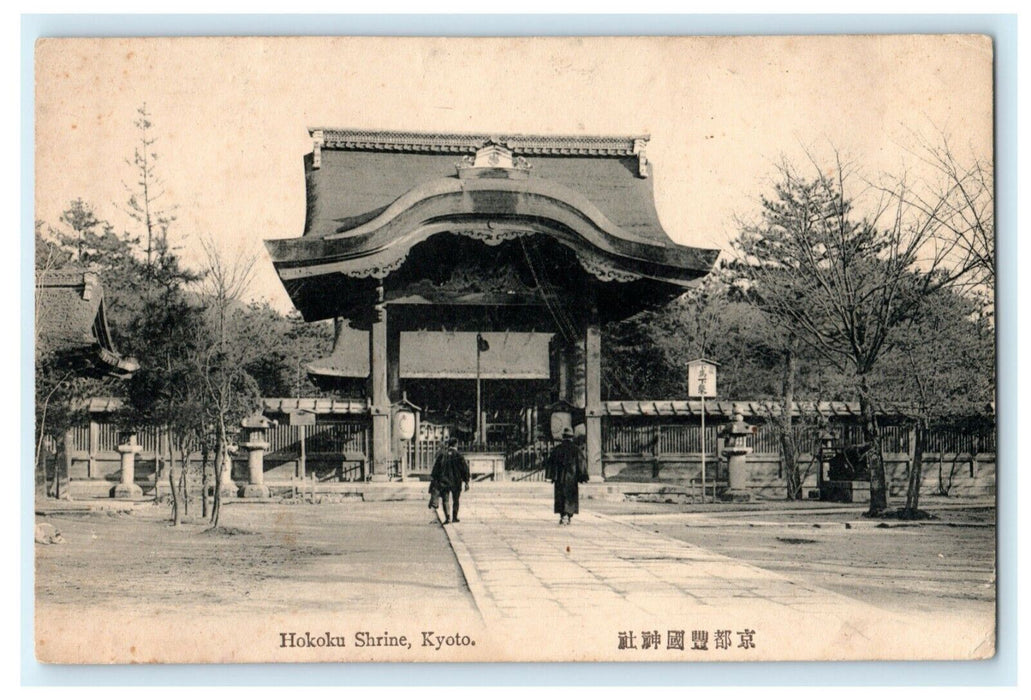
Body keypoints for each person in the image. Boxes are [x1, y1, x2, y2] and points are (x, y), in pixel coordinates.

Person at [545, 427, 589, 525]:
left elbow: (551, 463)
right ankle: (568, 515)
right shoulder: (576, 450)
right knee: (570, 496)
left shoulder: (557, 449)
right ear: (572, 437)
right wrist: (583, 476)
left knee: (561, 496)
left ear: (563, 437)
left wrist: (551, 476)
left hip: (560, 478)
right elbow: (581, 463)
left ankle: (562, 515)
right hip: (571, 478)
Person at [429, 437, 470, 524]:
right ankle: (455, 517)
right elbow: (465, 469)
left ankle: (447, 517)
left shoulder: (442, 455)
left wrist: (434, 479)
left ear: (449, 445)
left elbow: (436, 468)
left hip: (444, 481)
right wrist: (466, 481)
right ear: (456, 444)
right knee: (456, 500)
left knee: (445, 500)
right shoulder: (459, 455)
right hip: (456, 481)